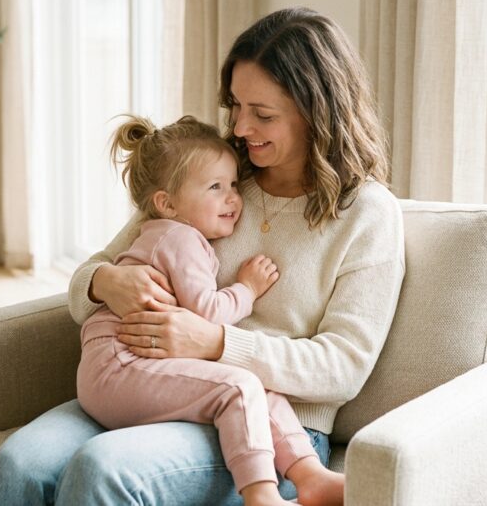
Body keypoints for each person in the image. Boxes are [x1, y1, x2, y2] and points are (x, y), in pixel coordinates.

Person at [0, 6, 405, 506]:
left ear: (318, 111)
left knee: (102, 470)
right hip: (148, 384)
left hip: (272, 431)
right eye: (235, 106)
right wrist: (104, 283)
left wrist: (217, 342)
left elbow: (344, 367)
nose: (241, 128)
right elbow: (92, 275)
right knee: (16, 467)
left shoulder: (367, 214)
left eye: (263, 114)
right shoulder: (211, 175)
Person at [77, 113, 339, 506]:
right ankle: (263, 496)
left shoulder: (170, 227)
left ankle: (309, 474)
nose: (234, 198)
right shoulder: (180, 238)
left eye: (233, 185)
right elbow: (207, 314)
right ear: (166, 203)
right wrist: (246, 290)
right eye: (216, 188)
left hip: (121, 366)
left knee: (255, 383)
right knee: (239, 387)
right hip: (120, 367)